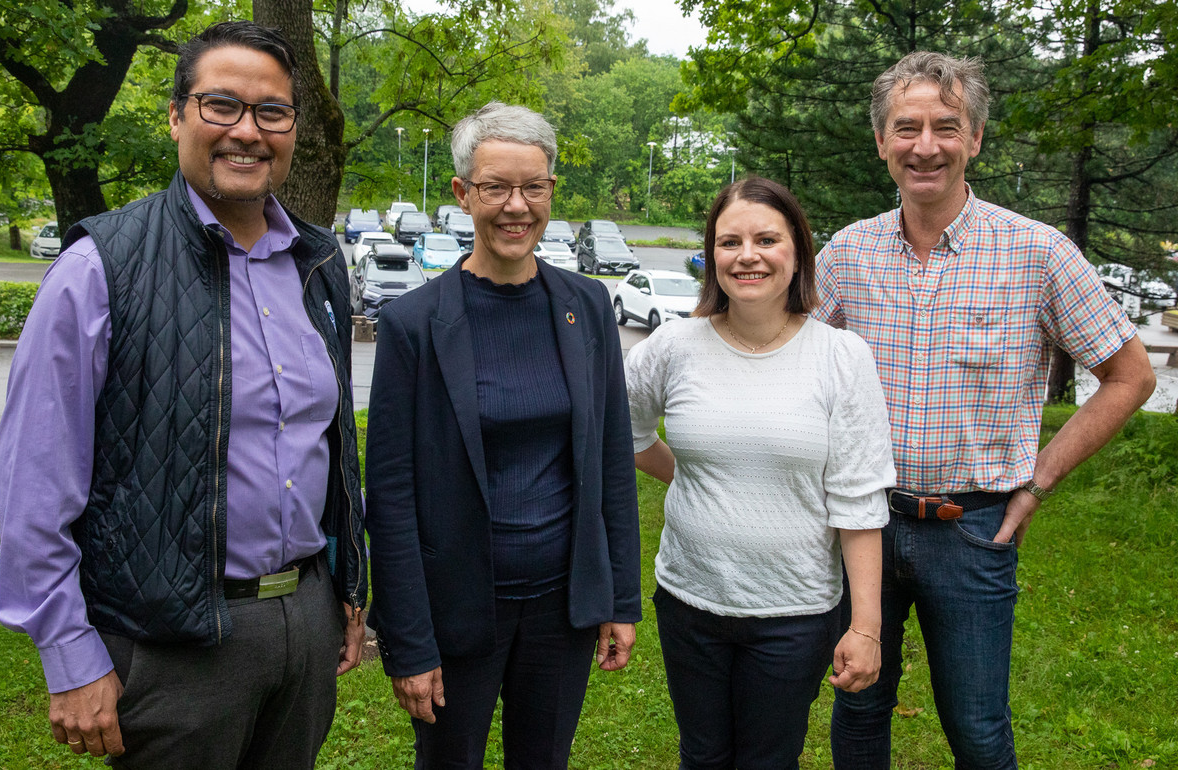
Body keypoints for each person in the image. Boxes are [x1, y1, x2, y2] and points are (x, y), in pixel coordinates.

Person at [0, 21, 367, 768]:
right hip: (173, 646)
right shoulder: (102, 267)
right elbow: (34, 481)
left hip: (304, 621)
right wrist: (71, 655)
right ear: (175, 116)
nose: (247, 132)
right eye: (221, 105)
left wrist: (344, 588)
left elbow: (331, 446)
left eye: (272, 112)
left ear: (293, 127)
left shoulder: (319, 263)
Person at [813, 51, 1157, 768]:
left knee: (976, 728)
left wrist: (1039, 481)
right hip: (862, 520)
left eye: (947, 127)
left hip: (971, 529)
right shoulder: (847, 253)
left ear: (974, 139)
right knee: (858, 707)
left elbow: (1129, 375)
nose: (925, 147)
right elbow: (798, 366)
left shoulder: (1038, 253)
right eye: (906, 128)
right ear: (882, 141)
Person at [365, 101, 641, 769]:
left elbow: (609, 459)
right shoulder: (413, 326)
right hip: (459, 608)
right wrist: (409, 643)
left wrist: (620, 599)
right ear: (463, 194)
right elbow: (393, 498)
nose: (517, 206)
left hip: (562, 606)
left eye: (533, 187)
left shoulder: (587, 306)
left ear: (551, 190)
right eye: (496, 188)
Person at [626, 176, 896, 769]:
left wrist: (867, 626)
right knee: (702, 755)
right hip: (689, 601)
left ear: (796, 250)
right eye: (730, 242)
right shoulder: (672, 346)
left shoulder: (841, 357)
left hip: (794, 615)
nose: (747, 256)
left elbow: (859, 504)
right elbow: (624, 433)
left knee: (769, 761)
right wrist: (690, 479)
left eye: (766, 239)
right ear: (712, 255)